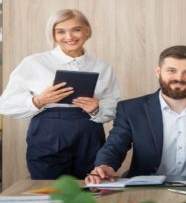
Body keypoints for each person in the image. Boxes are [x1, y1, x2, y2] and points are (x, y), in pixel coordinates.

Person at [85, 45, 186, 184]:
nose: (179, 78)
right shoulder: (131, 109)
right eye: (171, 70)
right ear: (158, 71)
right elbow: (115, 145)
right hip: (146, 188)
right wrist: (105, 165)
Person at [0, 9, 121, 180]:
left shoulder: (103, 67)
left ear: (87, 30)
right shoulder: (34, 63)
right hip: (47, 132)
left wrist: (97, 108)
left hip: (89, 132)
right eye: (61, 31)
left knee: (92, 188)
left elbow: (116, 106)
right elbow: (5, 104)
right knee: (49, 190)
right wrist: (38, 100)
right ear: (53, 35)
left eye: (76, 29)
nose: (69, 36)